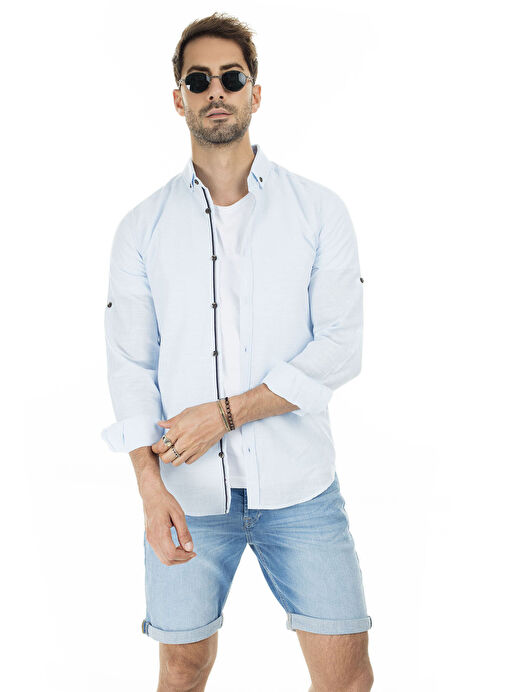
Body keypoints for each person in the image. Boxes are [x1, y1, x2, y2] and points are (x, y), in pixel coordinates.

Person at [101, 11, 374, 692]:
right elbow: (130, 366)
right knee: (182, 669)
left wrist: (224, 414)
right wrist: (149, 491)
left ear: (255, 91)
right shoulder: (140, 228)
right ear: (179, 99)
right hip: (186, 495)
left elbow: (340, 347)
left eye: (231, 76)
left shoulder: (319, 211)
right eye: (198, 80)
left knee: (346, 678)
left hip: (302, 489)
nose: (215, 90)